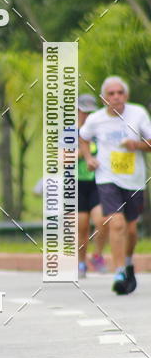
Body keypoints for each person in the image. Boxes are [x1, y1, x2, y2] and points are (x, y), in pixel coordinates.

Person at [79, 77, 151, 294]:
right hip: (107, 178)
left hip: (135, 180)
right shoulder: (96, 119)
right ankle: (119, 270)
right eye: (111, 94)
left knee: (130, 230)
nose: (116, 97)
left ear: (126, 96)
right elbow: (83, 138)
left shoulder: (138, 114)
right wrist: (88, 158)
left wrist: (136, 145)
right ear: (103, 98)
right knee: (116, 223)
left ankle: (128, 262)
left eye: (120, 92)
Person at [76, 94, 108, 277]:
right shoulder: (68, 133)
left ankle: (97, 255)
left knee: (102, 221)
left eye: (90, 112)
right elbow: (61, 158)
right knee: (82, 226)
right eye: (83, 111)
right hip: (77, 184)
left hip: (97, 182)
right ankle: (81, 262)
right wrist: (83, 153)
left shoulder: (98, 132)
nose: (86, 116)